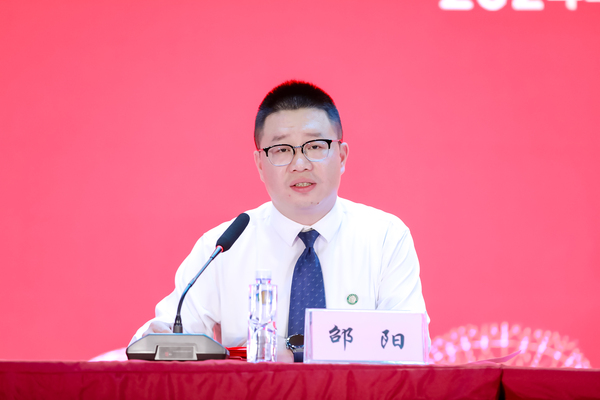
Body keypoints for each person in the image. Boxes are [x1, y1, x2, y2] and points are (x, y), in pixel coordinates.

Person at [130, 81, 429, 361]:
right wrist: (158, 340)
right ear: (260, 165)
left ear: (341, 156)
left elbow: (410, 349)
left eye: (315, 146)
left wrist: (302, 350)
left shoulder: (385, 238)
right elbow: (161, 338)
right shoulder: (222, 248)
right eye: (282, 150)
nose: (300, 164)